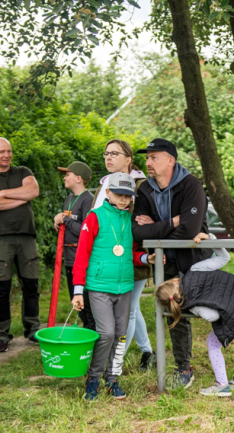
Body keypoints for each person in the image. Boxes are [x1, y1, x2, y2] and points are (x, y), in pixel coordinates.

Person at [132, 138, 211, 388]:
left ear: (170, 160)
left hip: (193, 260)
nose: (148, 162)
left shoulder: (191, 185)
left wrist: (158, 234)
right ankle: (183, 368)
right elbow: (137, 232)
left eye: (153, 157)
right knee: (174, 312)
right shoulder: (144, 189)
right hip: (163, 261)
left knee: (197, 310)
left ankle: (222, 363)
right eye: (147, 157)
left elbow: (190, 230)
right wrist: (172, 223)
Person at [72, 173, 159, 401]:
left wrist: (144, 260)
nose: (124, 200)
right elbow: (82, 255)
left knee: (120, 335)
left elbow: (131, 252)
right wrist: (78, 290)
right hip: (99, 286)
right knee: (106, 333)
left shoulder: (129, 220)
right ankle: (93, 378)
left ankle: (112, 378)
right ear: (107, 193)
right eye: (119, 195)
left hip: (125, 286)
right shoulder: (94, 217)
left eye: (128, 196)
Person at [155, 233, 234, 397]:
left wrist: (209, 307)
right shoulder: (195, 269)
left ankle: (222, 384)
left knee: (212, 343)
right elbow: (223, 257)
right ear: (175, 281)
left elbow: (213, 317)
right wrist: (210, 238)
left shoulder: (193, 305)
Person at [0, 137, 41, 353]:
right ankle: (2, 335)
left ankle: (32, 329)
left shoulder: (22, 171)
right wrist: (20, 198)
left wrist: (3, 193)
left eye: (9, 151)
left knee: (31, 285)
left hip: (26, 236)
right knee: (1, 289)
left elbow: (33, 191)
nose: (6, 155)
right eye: (1, 152)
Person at [94, 139, 155, 371]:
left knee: (127, 310)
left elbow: (143, 219)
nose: (108, 157)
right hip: (107, 259)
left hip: (132, 257)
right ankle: (148, 352)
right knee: (132, 307)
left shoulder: (141, 185)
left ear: (128, 159)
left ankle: (114, 365)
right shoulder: (104, 185)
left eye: (115, 153)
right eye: (106, 153)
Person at [54, 161, 95, 330]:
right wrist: (59, 222)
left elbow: (86, 231)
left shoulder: (88, 200)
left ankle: (92, 342)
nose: (64, 177)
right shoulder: (69, 199)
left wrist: (65, 219)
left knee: (87, 306)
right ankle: (84, 338)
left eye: (67, 174)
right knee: (76, 301)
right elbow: (69, 223)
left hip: (82, 261)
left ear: (78, 178)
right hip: (68, 259)